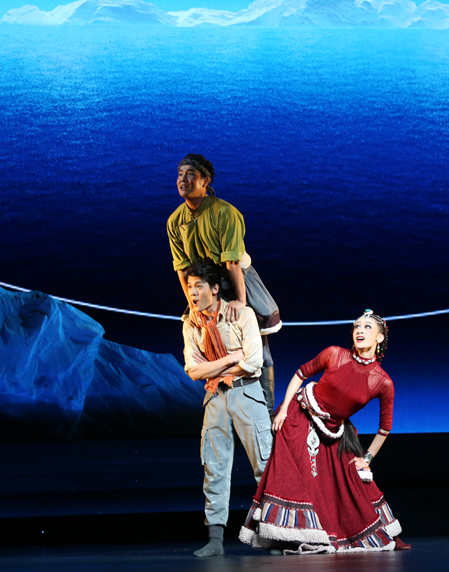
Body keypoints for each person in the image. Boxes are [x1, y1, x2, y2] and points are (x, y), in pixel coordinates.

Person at [239, 309, 409, 554]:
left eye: (367, 327)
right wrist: (284, 408)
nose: (359, 330)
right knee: (298, 475)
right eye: (356, 326)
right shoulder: (334, 354)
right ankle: (284, 536)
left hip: (334, 430)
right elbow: (301, 374)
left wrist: (368, 458)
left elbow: (385, 427)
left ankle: (346, 533)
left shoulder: (382, 382)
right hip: (301, 415)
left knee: (350, 480)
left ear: (380, 338)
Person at [167, 154, 280, 414]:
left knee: (259, 348)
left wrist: (241, 300)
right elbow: (183, 268)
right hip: (205, 287)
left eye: (190, 174)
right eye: (180, 174)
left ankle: (267, 411)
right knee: (212, 343)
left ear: (205, 180)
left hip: (236, 280)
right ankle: (227, 408)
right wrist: (193, 304)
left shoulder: (225, 213)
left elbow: (232, 262)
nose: (183, 180)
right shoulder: (175, 221)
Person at [181, 259, 274, 557]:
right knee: (214, 467)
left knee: (265, 466)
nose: (193, 293)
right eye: (190, 287)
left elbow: (253, 361)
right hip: (216, 397)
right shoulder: (191, 323)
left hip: (247, 394)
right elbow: (193, 370)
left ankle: (276, 535)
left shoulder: (241, 314)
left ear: (215, 289)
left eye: (199, 286)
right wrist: (230, 359)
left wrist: (218, 367)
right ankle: (215, 539)